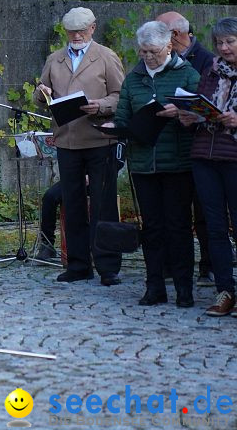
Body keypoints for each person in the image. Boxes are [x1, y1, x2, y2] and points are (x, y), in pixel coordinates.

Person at [108, 21, 199, 307]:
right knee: (152, 228)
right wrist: (114, 126)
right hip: (144, 164)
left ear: (169, 46)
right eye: (143, 51)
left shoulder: (188, 74)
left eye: (154, 52)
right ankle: (154, 286)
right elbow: (123, 115)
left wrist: (182, 113)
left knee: (180, 227)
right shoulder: (134, 79)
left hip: (178, 164)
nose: (148, 57)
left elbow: (202, 115)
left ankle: (184, 288)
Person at [34, 7, 125, 285]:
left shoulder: (106, 56)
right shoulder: (55, 59)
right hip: (68, 140)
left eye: (81, 31)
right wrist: (41, 93)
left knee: (103, 204)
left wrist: (101, 106)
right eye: (71, 32)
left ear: (93, 28)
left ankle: (108, 266)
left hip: (99, 138)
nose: (76, 36)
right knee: (71, 204)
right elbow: (41, 95)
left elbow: (121, 96)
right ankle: (77, 263)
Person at [178, 17, 237, 317]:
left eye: (230, 42)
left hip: (234, 157)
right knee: (214, 228)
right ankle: (225, 291)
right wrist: (191, 116)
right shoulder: (210, 72)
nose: (224, 48)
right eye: (219, 43)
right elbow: (201, 104)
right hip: (205, 155)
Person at [157, 10, 216, 285]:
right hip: (175, 144)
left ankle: (209, 264)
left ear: (176, 35)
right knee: (176, 210)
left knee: (206, 209)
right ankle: (176, 266)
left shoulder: (207, 61)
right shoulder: (163, 58)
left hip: (205, 144)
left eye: (162, 32)